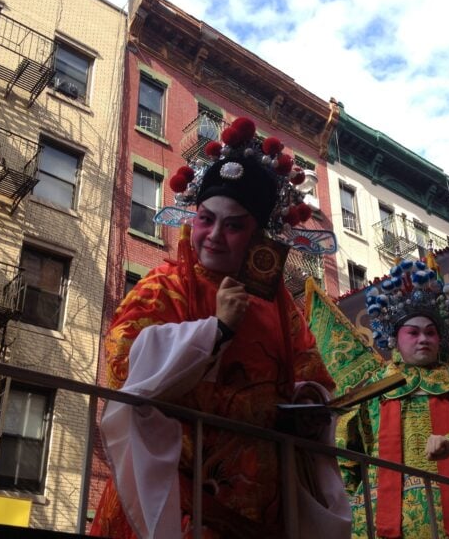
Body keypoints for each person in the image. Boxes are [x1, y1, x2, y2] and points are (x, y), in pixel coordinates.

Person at [90, 117, 350, 539]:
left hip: (260, 510)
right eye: (206, 219)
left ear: (258, 236)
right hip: (177, 499)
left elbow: (312, 375)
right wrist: (216, 331)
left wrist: (309, 401)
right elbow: (123, 365)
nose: (212, 236)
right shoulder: (164, 286)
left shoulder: (281, 309)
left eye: (233, 226)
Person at [341, 260, 449, 539]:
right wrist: (348, 506)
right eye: (413, 332)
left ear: (440, 339)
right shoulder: (370, 391)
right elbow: (344, 454)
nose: (423, 339)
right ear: (396, 340)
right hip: (378, 518)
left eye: (430, 332)